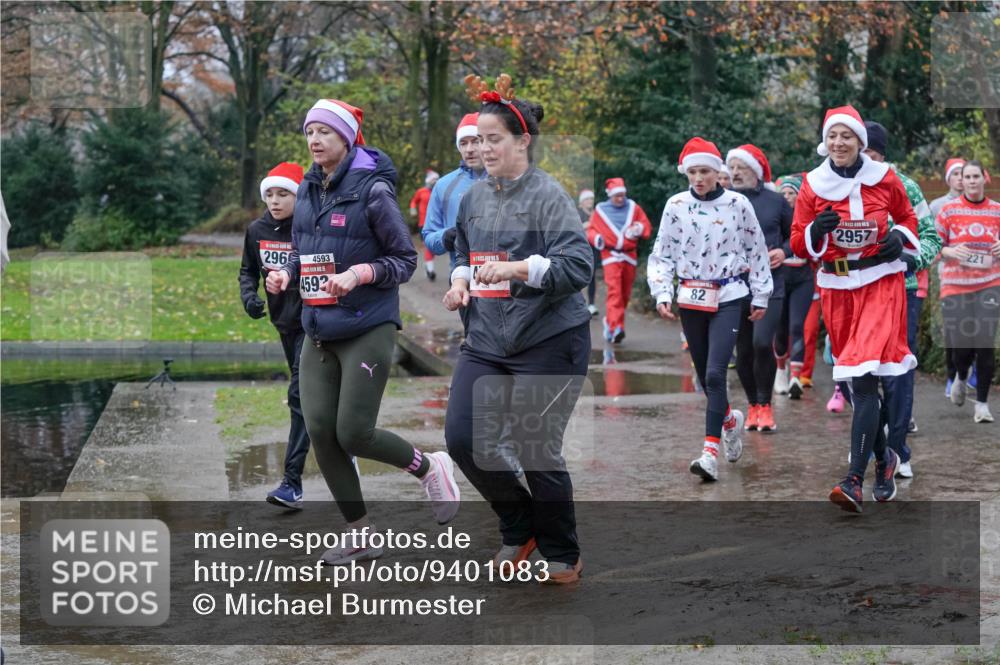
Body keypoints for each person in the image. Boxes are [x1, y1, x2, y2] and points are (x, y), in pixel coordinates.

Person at [266, 98, 460, 564]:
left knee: (353, 432)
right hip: (318, 327)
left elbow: (404, 260)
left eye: (324, 132)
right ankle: (360, 532)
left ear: (347, 138)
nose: (314, 140)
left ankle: (429, 465)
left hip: (366, 326)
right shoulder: (309, 188)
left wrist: (358, 275)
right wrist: (286, 274)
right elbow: (301, 247)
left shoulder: (374, 191)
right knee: (319, 430)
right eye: (309, 131)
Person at [443, 74, 593, 584]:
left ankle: (561, 551)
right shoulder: (472, 198)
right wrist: (460, 281)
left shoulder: (549, 196)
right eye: (478, 139)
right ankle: (519, 524)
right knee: (463, 439)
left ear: (522, 140)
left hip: (550, 340)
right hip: (486, 339)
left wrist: (516, 268)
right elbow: (463, 250)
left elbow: (577, 268)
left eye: (493, 139)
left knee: (535, 446)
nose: (483, 148)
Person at [790, 105, 921, 513]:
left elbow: (907, 218)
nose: (839, 143)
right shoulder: (813, 185)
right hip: (836, 287)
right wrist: (815, 230)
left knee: (864, 376)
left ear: (860, 141)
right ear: (824, 142)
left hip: (881, 282)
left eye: (847, 136)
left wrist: (899, 239)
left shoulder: (886, 179)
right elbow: (797, 240)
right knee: (856, 384)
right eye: (832, 137)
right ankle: (885, 460)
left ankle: (852, 480)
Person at [648, 137, 772, 482]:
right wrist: (662, 292)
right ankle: (731, 421)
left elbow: (756, 248)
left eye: (705, 171)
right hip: (691, 296)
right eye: (692, 172)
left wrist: (760, 294)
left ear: (718, 172)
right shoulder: (675, 205)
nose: (699, 178)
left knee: (717, 373)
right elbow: (662, 253)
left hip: (729, 294)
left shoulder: (737, 204)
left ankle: (709, 453)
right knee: (705, 377)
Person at [862, 121, 941, 478]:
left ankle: (897, 450)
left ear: (881, 154)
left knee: (897, 373)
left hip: (902, 290)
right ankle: (874, 439)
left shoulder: (904, 185)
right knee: (856, 374)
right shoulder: (836, 186)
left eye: (870, 153)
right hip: (854, 291)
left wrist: (913, 259)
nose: (862, 159)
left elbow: (932, 237)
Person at [240, 161, 312, 509]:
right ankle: (342, 445)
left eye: (284, 193)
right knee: (309, 401)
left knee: (299, 396)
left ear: (298, 196)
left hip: (313, 323)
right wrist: (249, 297)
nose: (275, 200)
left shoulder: (309, 227)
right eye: (270, 193)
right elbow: (247, 271)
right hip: (282, 322)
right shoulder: (256, 230)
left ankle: (291, 481)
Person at [728, 145, 792, 431]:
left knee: (762, 343)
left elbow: (796, 235)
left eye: (741, 167)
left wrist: (784, 251)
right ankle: (753, 404)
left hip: (771, 283)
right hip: (735, 286)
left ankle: (766, 405)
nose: (735, 172)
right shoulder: (725, 201)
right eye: (732, 168)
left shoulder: (776, 201)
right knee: (742, 351)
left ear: (756, 170)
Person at [936, 160, 1000, 424]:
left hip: (989, 282)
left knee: (985, 343)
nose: (972, 181)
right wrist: (949, 251)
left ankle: (982, 405)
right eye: (967, 177)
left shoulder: (997, 211)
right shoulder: (948, 211)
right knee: (962, 346)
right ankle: (961, 376)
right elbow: (933, 245)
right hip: (955, 285)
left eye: (976, 176)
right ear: (961, 180)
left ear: (984, 178)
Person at [586, 177, 652, 344]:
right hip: (611, 255)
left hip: (630, 255)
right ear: (610, 195)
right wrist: (598, 239)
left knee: (624, 294)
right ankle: (616, 328)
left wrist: (638, 228)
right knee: (615, 291)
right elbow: (591, 231)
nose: (621, 199)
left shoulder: (633, 208)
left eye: (623, 195)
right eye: (617, 196)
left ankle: (612, 324)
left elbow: (646, 226)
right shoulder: (600, 210)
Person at [422, 113, 488, 274]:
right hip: (462, 279)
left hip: (507, 281)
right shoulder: (444, 185)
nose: (469, 149)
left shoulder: (507, 178)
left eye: (475, 141)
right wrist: (445, 237)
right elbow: (429, 235)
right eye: (463, 143)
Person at [772, 174, 815, 399]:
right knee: (781, 328)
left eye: (792, 193)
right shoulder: (774, 218)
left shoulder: (807, 217)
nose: (788, 197)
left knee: (798, 325)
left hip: (803, 278)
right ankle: (780, 370)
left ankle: (795, 377)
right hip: (779, 278)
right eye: (784, 193)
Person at [409, 170, 439, 281]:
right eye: (433, 180)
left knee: (433, 247)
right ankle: (430, 270)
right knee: (428, 246)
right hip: (423, 223)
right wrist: (412, 209)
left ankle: (428, 265)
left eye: (437, 180)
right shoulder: (421, 191)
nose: (435, 182)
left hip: (437, 223)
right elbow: (413, 201)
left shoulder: (439, 191)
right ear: (428, 181)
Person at [578, 189, 600, 317]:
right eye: (587, 199)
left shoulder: (596, 214)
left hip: (594, 248)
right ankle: (578, 303)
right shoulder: (577, 213)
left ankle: (591, 304)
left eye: (591, 199)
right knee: (579, 275)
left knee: (592, 276)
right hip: (580, 248)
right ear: (581, 202)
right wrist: (583, 226)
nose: (590, 201)